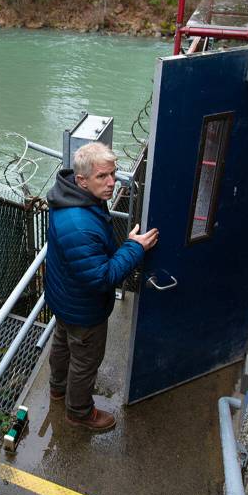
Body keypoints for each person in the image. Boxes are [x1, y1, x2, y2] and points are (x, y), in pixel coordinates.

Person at [44, 142, 158, 430]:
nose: (112, 182)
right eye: (102, 177)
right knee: (85, 361)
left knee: (62, 343)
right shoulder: (79, 224)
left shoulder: (70, 196)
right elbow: (101, 278)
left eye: (114, 173)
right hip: (83, 308)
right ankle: (79, 412)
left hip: (64, 297)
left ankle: (57, 389)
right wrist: (134, 248)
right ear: (82, 180)